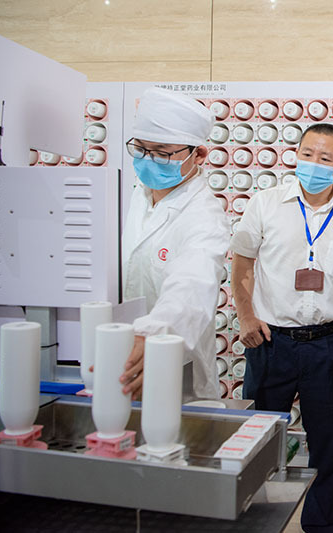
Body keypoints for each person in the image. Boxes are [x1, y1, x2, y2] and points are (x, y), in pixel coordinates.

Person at [230, 123, 333, 533]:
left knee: (326, 444)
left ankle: (320, 524)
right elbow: (242, 263)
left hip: (327, 342)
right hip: (270, 341)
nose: (313, 163)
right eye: (307, 154)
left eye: (325, 158)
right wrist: (245, 317)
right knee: (258, 439)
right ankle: (253, 522)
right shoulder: (266, 203)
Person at [120, 87, 229, 400]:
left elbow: (192, 285)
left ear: (199, 155)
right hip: (122, 355)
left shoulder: (204, 215)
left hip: (176, 367)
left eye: (162, 152)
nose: (148, 160)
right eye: (140, 149)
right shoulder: (131, 196)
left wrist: (156, 333)